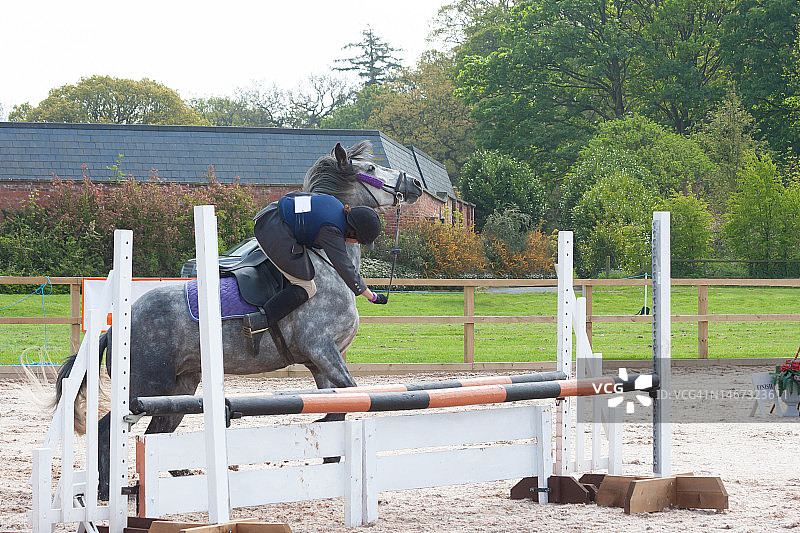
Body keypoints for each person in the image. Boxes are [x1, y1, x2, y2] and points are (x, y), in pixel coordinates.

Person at [243, 191, 388, 337]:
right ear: (353, 231)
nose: (356, 243)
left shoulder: (333, 202)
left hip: (270, 212)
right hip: (271, 230)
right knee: (307, 287)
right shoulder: (331, 231)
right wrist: (372, 296)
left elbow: (295, 195)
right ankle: (259, 322)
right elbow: (345, 267)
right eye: (358, 240)